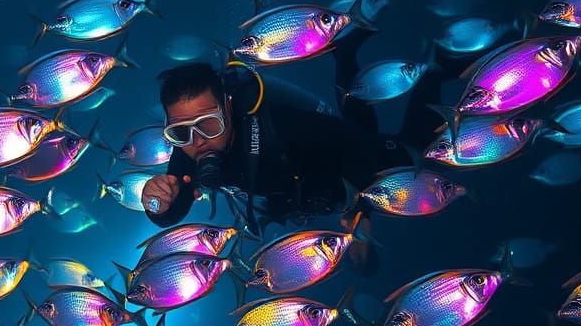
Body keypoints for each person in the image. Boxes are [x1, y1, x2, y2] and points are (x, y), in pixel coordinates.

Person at [141, 30, 447, 232]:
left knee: (416, 148)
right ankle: (344, 54)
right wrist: (156, 203)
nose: (198, 142)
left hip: (339, 163)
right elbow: (174, 206)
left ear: (229, 107)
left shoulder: (281, 127)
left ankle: (436, 73)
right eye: (181, 132)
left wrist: (361, 207)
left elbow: (353, 142)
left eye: (209, 124)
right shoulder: (188, 150)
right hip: (301, 193)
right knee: (361, 120)